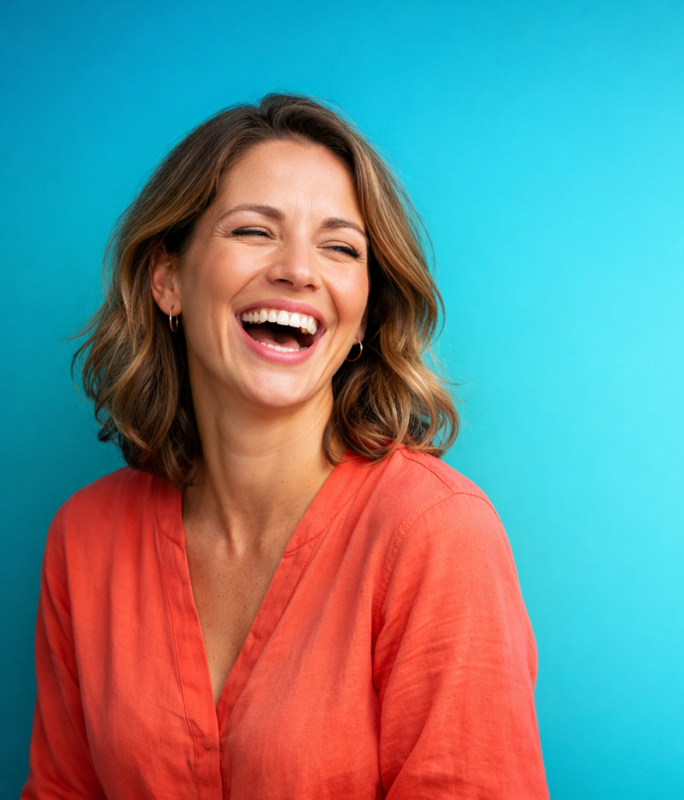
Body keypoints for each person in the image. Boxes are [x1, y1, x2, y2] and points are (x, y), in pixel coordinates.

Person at [23, 94, 549, 799]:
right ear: (168, 279)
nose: (300, 270)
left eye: (339, 247)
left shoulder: (435, 535)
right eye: (253, 231)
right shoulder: (84, 539)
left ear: (365, 312)